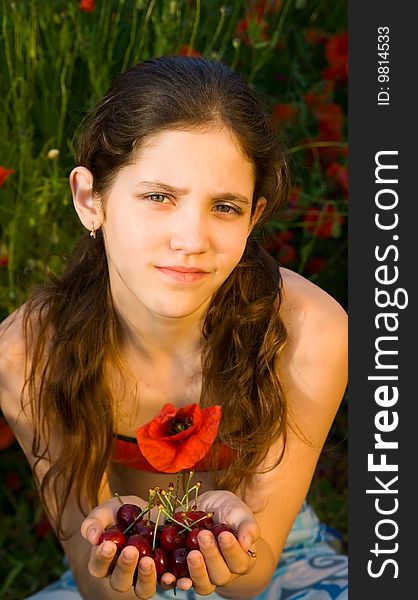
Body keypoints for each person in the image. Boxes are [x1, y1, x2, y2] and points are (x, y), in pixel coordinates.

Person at [0, 56, 348, 600]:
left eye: (225, 207)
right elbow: (100, 586)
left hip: (279, 559)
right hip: (120, 573)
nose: (191, 238)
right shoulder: (28, 355)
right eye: (159, 197)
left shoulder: (310, 331)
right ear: (91, 200)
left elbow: (252, 577)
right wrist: (116, 545)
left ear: (254, 217)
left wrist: (234, 536)